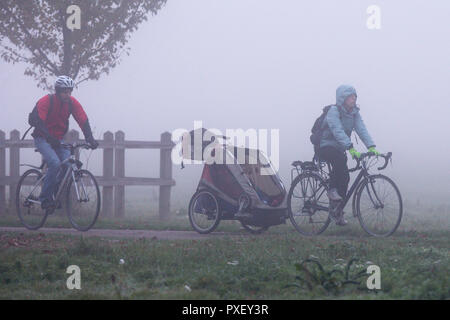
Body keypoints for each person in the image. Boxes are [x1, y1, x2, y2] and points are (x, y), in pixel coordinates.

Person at [30, 75, 99, 210]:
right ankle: (44, 198)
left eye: (70, 92)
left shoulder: (71, 103)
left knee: (68, 165)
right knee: (55, 163)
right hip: (42, 138)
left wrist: (90, 138)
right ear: (58, 91)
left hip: (58, 139)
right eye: (65, 92)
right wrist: (49, 138)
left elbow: (82, 119)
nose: (68, 95)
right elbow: (39, 121)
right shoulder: (47, 101)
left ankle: (53, 191)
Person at [318, 84, 380, 226]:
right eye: (351, 97)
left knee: (345, 177)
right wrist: (350, 148)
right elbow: (337, 130)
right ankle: (332, 191)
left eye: (355, 96)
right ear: (343, 99)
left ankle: (337, 210)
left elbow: (361, 129)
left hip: (340, 147)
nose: (354, 99)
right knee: (339, 160)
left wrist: (371, 146)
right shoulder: (334, 111)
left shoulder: (354, 113)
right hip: (325, 144)